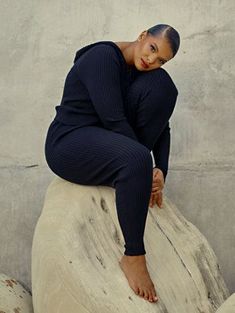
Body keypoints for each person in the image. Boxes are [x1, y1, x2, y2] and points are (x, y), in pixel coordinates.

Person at [44, 24, 180, 303]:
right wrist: (142, 166)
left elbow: (162, 126)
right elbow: (114, 120)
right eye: (152, 48)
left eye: (161, 59)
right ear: (143, 36)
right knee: (136, 158)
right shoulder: (103, 57)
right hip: (69, 143)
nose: (152, 60)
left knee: (163, 87)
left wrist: (160, 170)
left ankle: (137, 174)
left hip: (104, 138)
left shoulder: (139, 72)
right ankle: (133, 255)